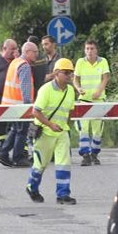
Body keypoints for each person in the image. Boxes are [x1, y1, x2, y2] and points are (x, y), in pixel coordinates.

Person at [26, 58, 78, 205]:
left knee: (64, 163)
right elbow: (36, 112)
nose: (69, 76)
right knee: (40, 165)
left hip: (61, 132)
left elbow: (69, 111)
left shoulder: (70, 91)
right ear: (56, 73)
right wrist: (51, 125)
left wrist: (65, 126)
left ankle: (63, 195)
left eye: (71, 73)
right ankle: (32, 187)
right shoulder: (46, 90)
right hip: (45, 133)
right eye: (66, 72)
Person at [0, 41, 38, 167]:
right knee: (21, 131)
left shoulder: (15, 62)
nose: (37, 55)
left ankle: (3, 154)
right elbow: (25, 89)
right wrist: (28, 106)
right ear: (27, 52)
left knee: (15, 130)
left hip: (10, 104)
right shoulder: (24, 66)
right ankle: (18, 157)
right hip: (20, 105)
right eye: (35, 52)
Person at [73, 40, 111, 166]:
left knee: (97, 130)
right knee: (83, 129)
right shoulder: (80, 62)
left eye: (92, 48)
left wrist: (99, 90)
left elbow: (106, 77)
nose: (89, 51)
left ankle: (94, 153)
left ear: (96, 50)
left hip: (99, 100)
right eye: (87, 48)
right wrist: (78, 89)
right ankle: (85, 154)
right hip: (84, 100)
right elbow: (75, 79)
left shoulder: (103, 61)